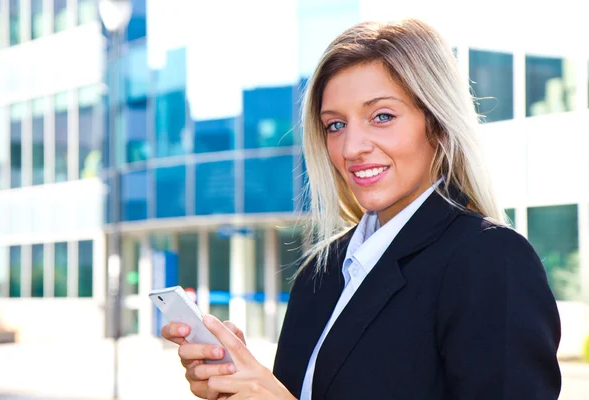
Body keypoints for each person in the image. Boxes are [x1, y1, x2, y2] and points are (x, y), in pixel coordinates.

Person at [161, 18, 561, 399]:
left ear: (437, 124)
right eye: (335, 125)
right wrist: (240, 387)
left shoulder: (490, 260)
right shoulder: (321, 272)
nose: (351, 148)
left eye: (382, 116)